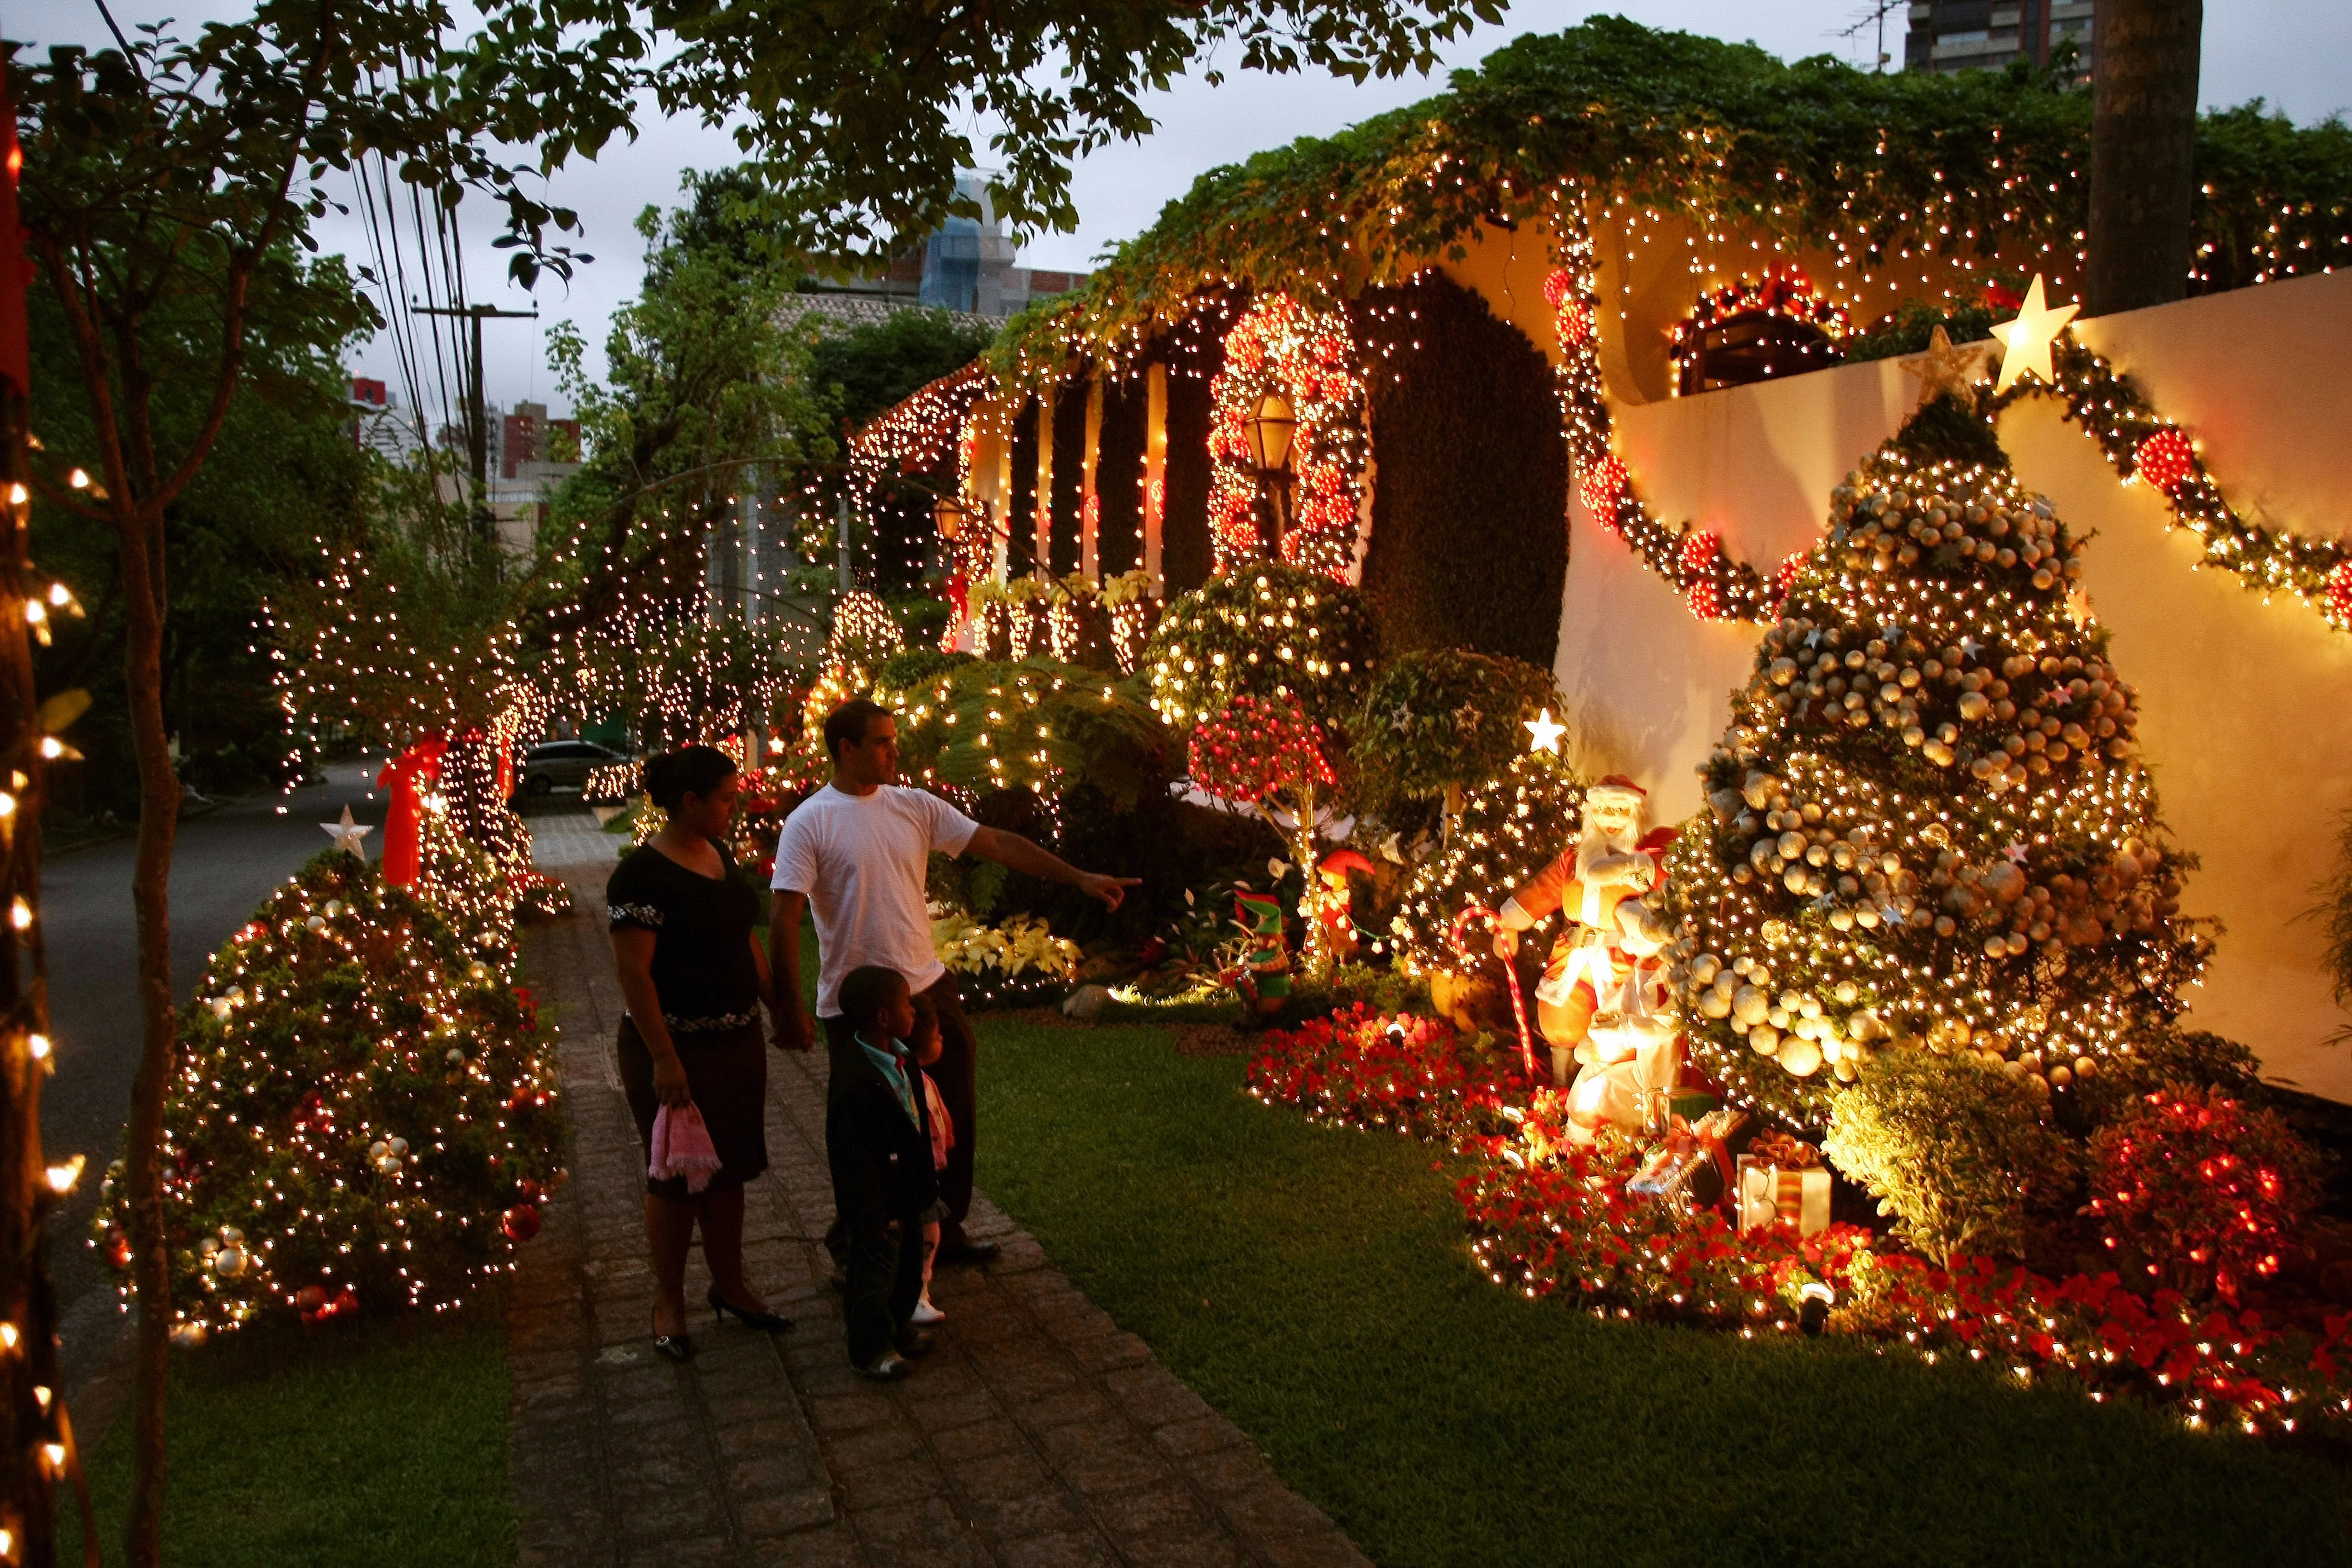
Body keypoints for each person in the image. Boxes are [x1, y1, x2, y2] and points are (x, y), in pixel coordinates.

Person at [769, 698, 1137, 1266]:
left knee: (953, 1115)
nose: (896, 751)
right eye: (883, 742)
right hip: (860, 1003)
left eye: (895, 739)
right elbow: (784, 918)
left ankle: (946, 1229)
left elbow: (998, 844)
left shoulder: (912, 806)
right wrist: (788, 1009)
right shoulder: (810, 821)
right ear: (846, 748)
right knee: (868, 1135)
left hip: (928, 987)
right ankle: (862, 1245)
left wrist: (1079, 877)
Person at [608, 745, 793, 1362]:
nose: (735, 807)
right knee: (677, 1176)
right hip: (675, 1048)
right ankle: (669, 1301)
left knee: (731, 1168)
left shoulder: (718, 855)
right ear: (690, 801)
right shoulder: (640, 876)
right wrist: (664, 1058)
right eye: (726, 798)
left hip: (736, 1042)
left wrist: (776, 1004)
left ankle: (731, 1285)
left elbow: (743, 936)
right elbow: (635, 974)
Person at [828, 965, 938, 1380]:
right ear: (883, 1017)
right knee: (873, 1273)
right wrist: (866, 1210)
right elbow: (851, 1155)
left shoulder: (902, 1058)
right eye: (906, 1004)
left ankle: (898, 1327)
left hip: (906, 1189)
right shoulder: (855, 1080)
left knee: (907, 1266)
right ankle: (870, 1347)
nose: (915, 1011)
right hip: (875, 1201)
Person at [906, 996, 952, 1327]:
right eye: (938, 1036)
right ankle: (917, 1291)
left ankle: (916, 1288)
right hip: (915, 1178)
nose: (943, 1041)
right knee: (927, 1233)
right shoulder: (913, 1085)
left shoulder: (919, 1081)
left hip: (921, 1174)